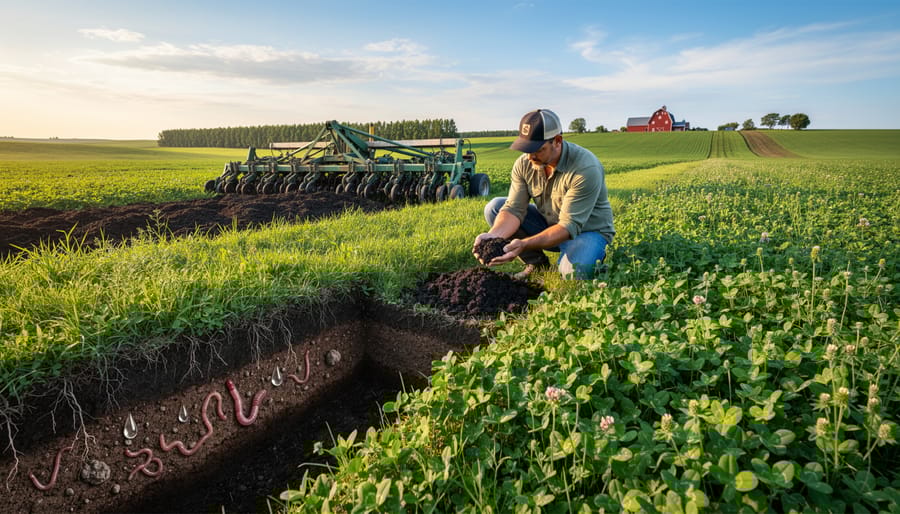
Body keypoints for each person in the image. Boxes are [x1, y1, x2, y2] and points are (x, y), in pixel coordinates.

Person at [473, 109, 614, 280]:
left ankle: (594, 258)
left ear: (557, 141)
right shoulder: (525, 163)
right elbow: (514, 209)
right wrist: (494, 236)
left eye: (538, 149)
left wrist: (523, 245)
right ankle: (538, 265)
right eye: (526, 149)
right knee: (495, 208)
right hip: (549, 224)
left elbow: (568, 227)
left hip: (586, 231)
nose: (531, 156)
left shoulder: (584, 168)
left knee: (573, 274)